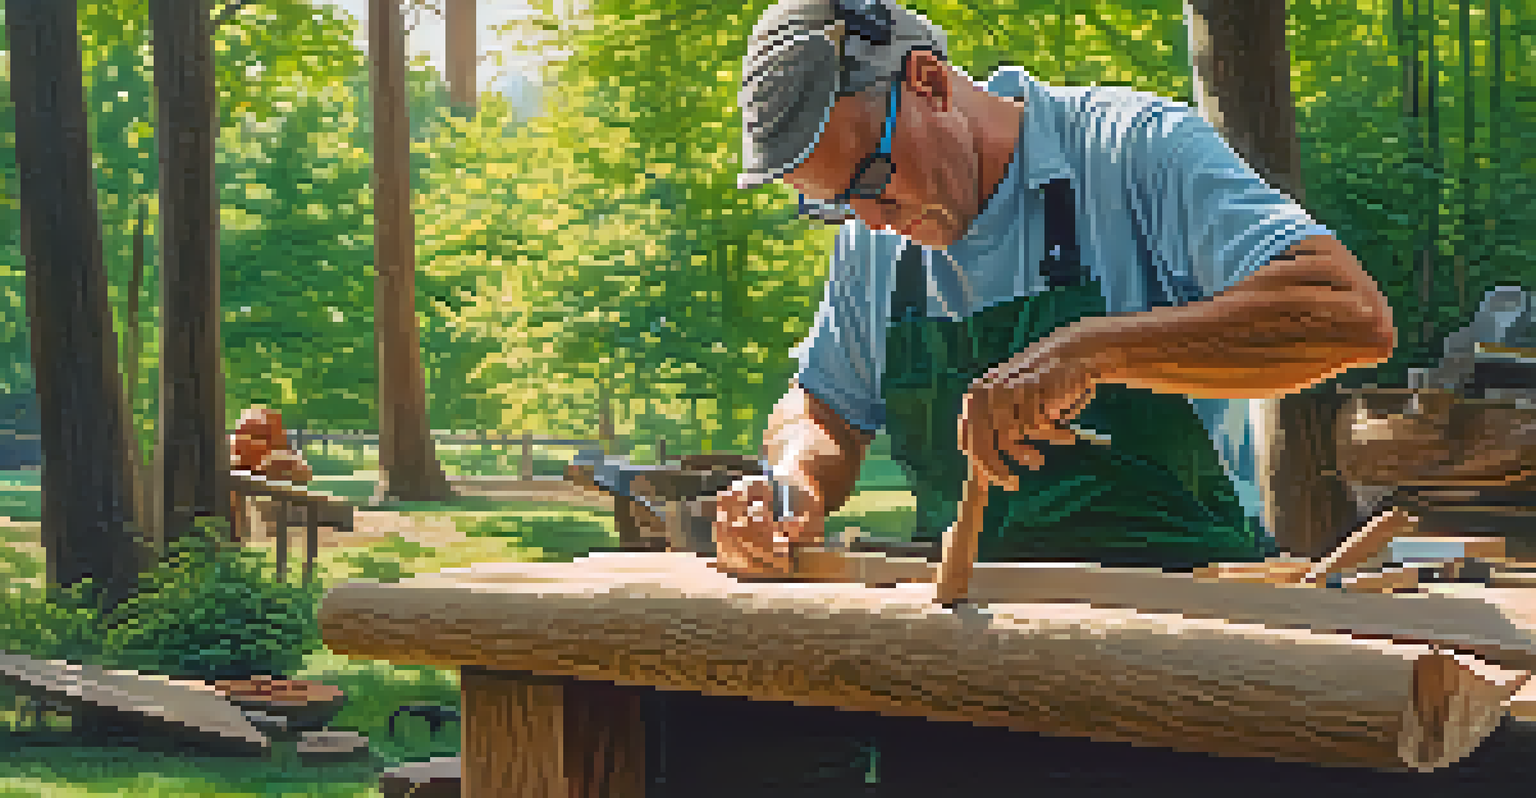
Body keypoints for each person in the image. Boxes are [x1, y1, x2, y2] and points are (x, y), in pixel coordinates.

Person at [713, 0, 1397, 576]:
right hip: (962, 639)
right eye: (834, 203)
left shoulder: (1131, 151)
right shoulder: (874, 238)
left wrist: (1098, 350)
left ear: (929, 82)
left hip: (1178, 622)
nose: (868, 220)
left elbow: (1348, 313)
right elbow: (822, 407)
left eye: (869, 177)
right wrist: (793, 482)